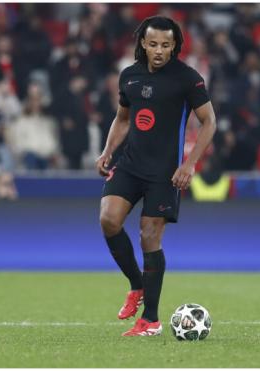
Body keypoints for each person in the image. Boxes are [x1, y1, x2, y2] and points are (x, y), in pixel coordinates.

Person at [96, 16, 216, 337]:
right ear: (143, 44)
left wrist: (189, 164)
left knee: (149, 236)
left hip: (165, 172)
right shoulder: (130, 76)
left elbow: (209, 122)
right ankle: (136, 283)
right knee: (108, 219)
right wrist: (108, 150)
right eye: (153, 44)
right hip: (131, 163)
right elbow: (122, 118)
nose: (159, 50)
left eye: (166, 44)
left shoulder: (187, 79)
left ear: (175, 45)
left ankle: (150, 320)